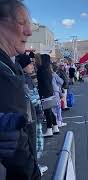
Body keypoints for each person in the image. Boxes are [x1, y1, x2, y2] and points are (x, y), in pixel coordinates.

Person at [0, 0, 41, 179]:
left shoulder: (10, 66)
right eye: (21, 23)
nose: (29, 32)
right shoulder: (5, 74)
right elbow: (16, 150)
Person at [16, 54, 48, 176]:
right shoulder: (23, 79)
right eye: (29, 64)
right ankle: (35, 167)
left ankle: (35, 165)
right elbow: (32, 98)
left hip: (33, 114)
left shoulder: (26, 77)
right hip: (32, 116)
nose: (32, 66)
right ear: (23, 66)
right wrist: (40, 111)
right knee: (35, 142)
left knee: (35, 141)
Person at [36, 54, 60, 137]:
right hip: (50, 92)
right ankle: (55, 127)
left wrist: (41, 93)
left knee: (47, 111)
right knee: (50, 110)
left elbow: (42, 83)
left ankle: (49, 129)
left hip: (44, 93)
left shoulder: (41, 70)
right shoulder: (48, 70)